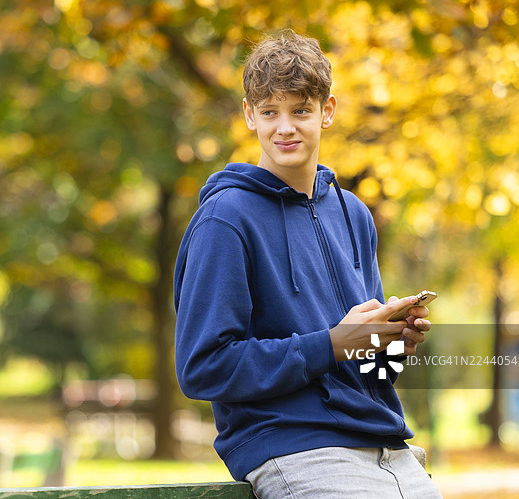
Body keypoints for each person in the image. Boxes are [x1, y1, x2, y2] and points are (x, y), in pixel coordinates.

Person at [173, 30, 443, 498]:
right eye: (269, 112)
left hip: (382, 445)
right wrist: (334, 344)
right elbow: (203, 367)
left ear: (328, 111)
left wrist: (390, 341)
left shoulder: (353, 214)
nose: (285, 128)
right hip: (293, 447)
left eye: (300, 110)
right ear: (248, 115)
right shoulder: (225, 220)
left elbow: (368, 374)